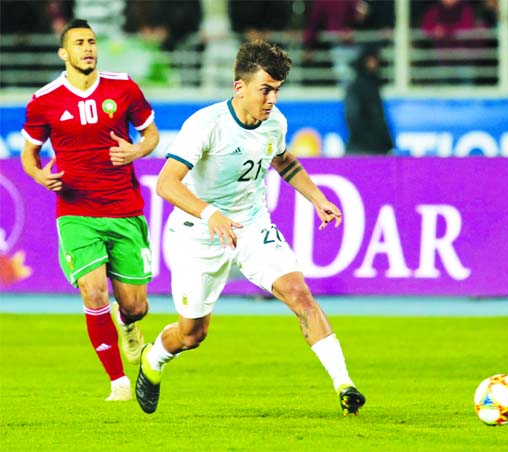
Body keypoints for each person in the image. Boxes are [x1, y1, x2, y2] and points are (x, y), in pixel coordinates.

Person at [135, 40, 365, 416]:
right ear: (239, 88)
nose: (272, 99)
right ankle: (154, 358)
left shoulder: (275, 122)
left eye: (276, 90)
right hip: (198, 233)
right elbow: (167, 184)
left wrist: (316, 197)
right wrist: (211, 214)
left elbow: (282, 160)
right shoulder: (206, 126)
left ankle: (345, 385)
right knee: (192, 334)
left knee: (299, 294)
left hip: (252, 225)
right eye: (266, 89)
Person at [20, 19, 159, 401]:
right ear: (64, 53)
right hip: (76, 210)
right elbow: (29, 157)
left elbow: (150, 133)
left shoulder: (123, 86)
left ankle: (128, 324)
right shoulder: (44, 100)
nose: (88, 48)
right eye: (80, 43)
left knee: (136, 305)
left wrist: (137, 150)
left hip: (124, 208)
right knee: (94, 290)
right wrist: (39, 177)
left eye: (92, 42)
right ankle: (117, 383)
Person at [344, 45, 394, 155]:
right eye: (371, 60)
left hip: (376, 148)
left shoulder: (374, 86)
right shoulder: (356, 87)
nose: (374, 64)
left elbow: (379, 119)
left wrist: (385, 143)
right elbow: (353, 118)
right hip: (362, 149)